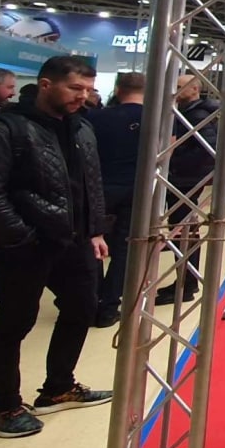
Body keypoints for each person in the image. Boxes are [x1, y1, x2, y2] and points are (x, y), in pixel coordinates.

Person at [0, 55, 111, 438]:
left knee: (82, 308)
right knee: (14, 323)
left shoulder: (83, 128)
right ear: (46, 85)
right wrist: (19, 237)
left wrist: (95, 230)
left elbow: (90, 184)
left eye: (88, 89)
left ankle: (58, 387)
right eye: (75, 88)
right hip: (25, 246)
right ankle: (3, 405)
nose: (83, 96)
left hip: (74, 241)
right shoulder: (6, 128)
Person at [86, 72, 145, 328]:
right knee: (125, 249)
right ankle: (109, 306)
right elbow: (166, 153)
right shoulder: (158, 118)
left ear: (118, 89)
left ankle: (90, 300)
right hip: (137, 189)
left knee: (92, 245)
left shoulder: (95, 117)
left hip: (98, 188)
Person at [155, 75, 218, 305]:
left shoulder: (197, 115)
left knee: (185, 233)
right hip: (182, 180)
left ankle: (187, 285)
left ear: (194, 89)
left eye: (179, 87)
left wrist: (173, 164)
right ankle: (184, 282)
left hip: (186, 181)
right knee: (181, 231)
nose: (175, 90)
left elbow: (207, 150)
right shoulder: (185, 113)